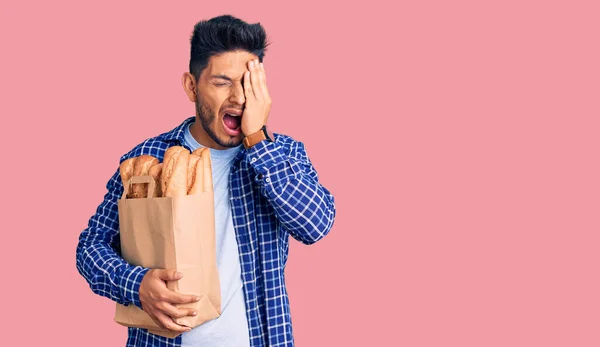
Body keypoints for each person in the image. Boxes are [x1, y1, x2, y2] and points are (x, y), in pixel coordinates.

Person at [75, 14, 336, 347]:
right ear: (191, 86)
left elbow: (315, 224)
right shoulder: (147, 157)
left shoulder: (282, 154)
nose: (240, 98)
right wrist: (135, 284)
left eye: (249, 83)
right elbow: (90, 246)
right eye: (222, 82)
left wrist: (258, 140)